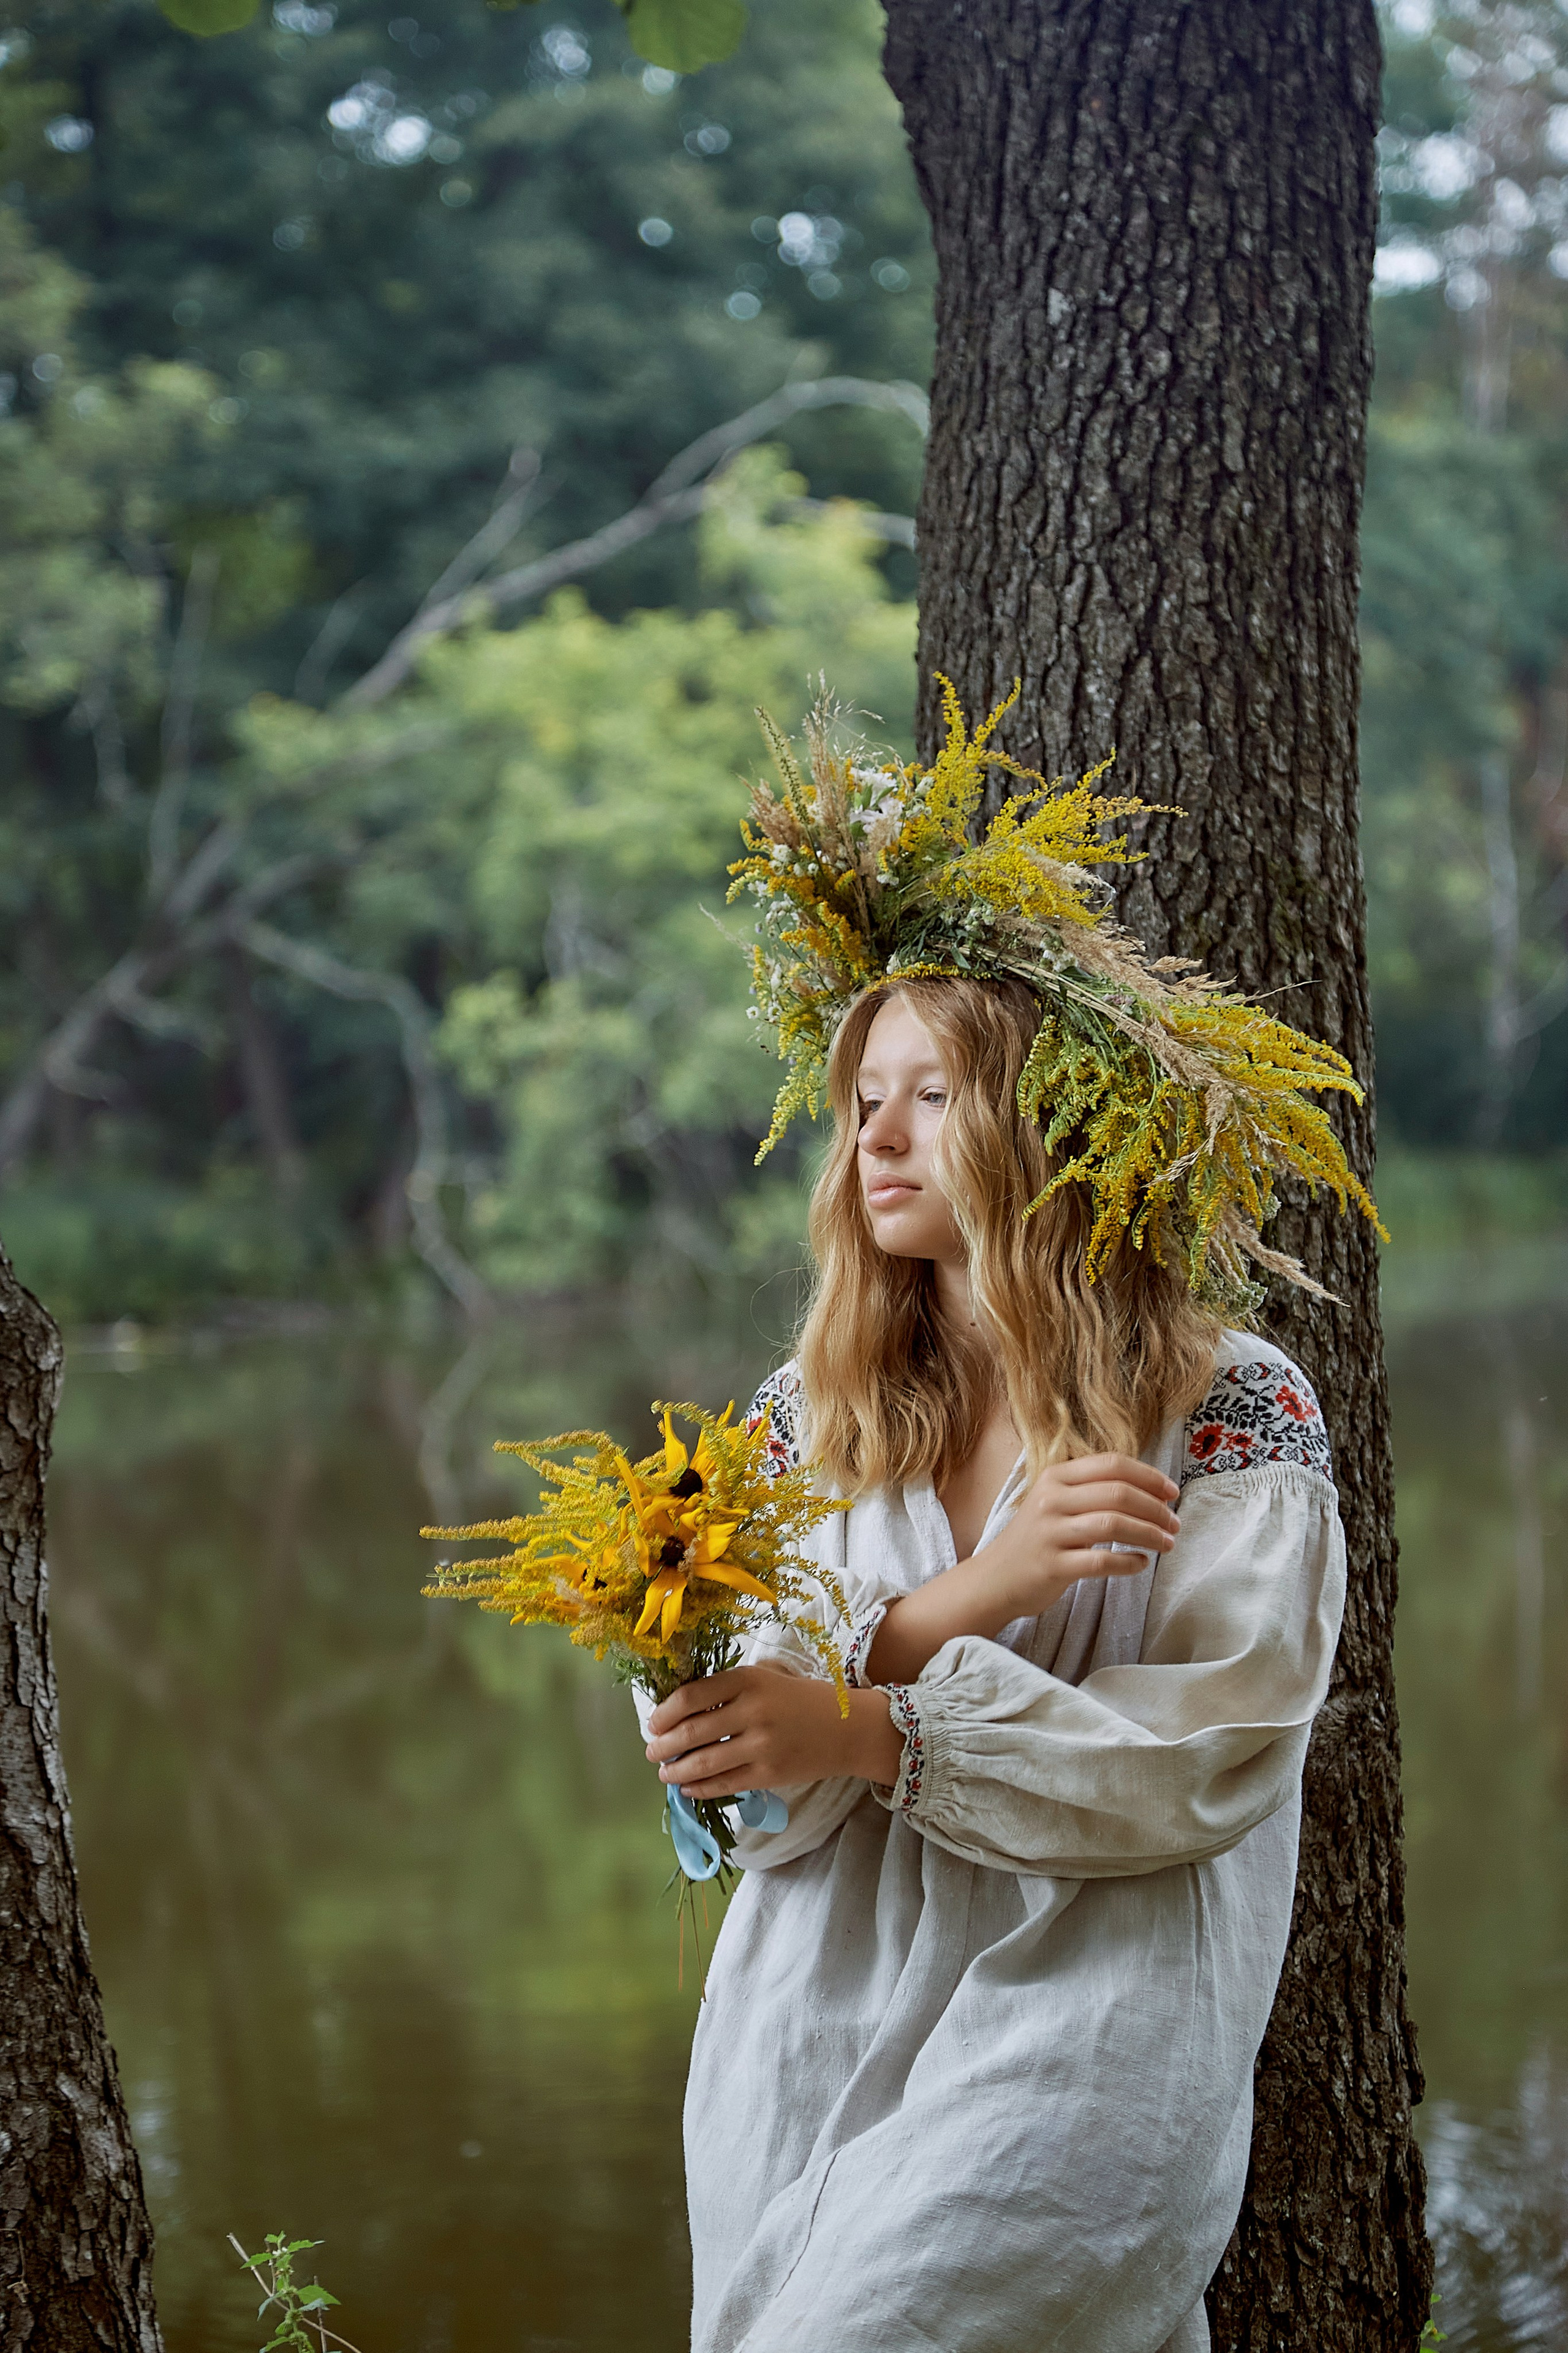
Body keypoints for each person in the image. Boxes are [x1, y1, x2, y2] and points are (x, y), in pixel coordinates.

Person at [642, 692, 1363, 2353]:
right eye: (861, 1099)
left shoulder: (1225, 1403)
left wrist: (875, 1722)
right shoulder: (790, 1419)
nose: (876, 1138)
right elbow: (715, 1739)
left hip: (1084, 2024)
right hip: (806, 2035)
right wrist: (952, 1610)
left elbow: (1216, 1745)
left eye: (933, 1094)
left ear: (1050, 1119)